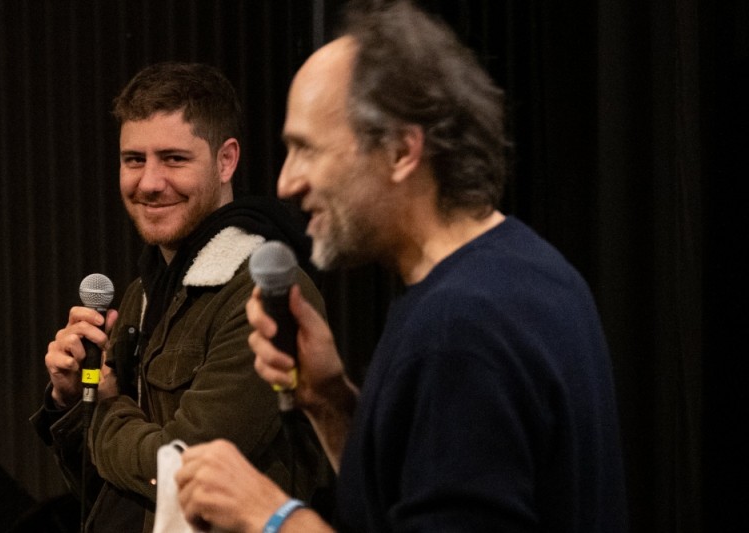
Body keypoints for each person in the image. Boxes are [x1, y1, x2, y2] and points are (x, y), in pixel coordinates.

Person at [173, 1, 628, 532]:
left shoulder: (463, 327)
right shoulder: (530, 271)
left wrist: (269, 515)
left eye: (306, 150)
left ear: (400, 152)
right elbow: (403, 503)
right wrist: (328, 399)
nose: (286, 183)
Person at [30, 61, 332, 533]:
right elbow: (106, 491)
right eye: (134, 159)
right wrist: (73, 397)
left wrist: (104, 404)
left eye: (173, 159)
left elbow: (180, 472)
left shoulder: (259, 296)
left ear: (226, 160)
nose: (149, 182)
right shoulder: (141, 294)